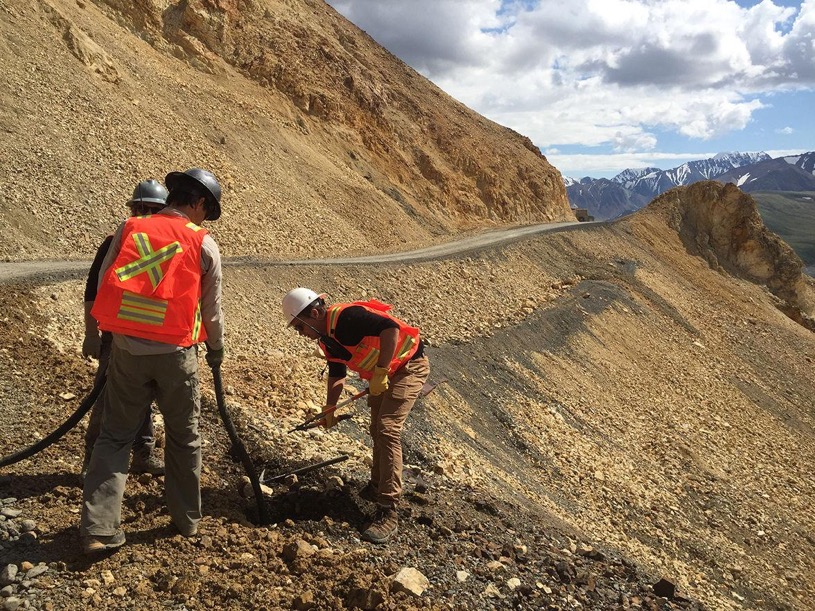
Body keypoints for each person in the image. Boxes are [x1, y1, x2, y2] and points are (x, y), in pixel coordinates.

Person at [80, 168, 225, 555]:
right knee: (184, 436)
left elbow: (107, 278)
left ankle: (98, 528)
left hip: (127, 351)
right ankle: (186, 520)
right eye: (206, 210)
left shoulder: (129, 229)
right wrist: (217, 348)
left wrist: (100, 332)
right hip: (176, 355)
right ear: (197, 203)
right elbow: (211, 310)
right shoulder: (203, 244)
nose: (203, 218)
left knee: (114, 435)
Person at [282, 288, 430, 544]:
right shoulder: (328, 340)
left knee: (387, 429)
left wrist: (382, 371)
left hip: (408, 366)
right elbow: (337, 374)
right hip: (384, 374)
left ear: (315, 313)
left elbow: (390, 329)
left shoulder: (348, 318)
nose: (301, 334)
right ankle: (376, 486)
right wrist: (329, 409)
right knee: (376, 429)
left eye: (300, 327)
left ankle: (388, 509)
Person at [81, 179, 169, 479]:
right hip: (117, 338)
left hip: (154, 339)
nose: (146, 215)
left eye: (153, 210)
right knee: (105, 398)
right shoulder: (116, 242)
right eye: (141, 209)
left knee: (143, 395)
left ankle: (143, 453)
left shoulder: (170, 246)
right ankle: (92, 459)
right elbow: (94, 290)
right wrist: (91, 334)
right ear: (132, 210)